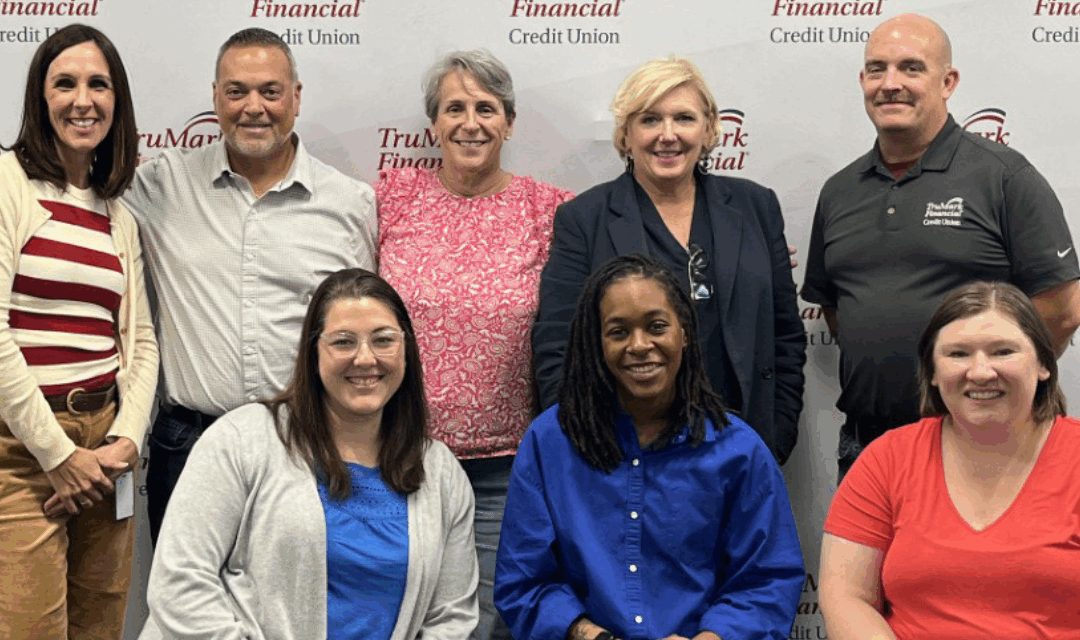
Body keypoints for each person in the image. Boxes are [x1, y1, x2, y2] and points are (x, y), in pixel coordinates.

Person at [121, 27, 377, 544]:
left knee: (301, 612)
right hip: (188, 443)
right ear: (215, 97)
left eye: (270, 91)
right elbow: (70, 181)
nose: (253, 107)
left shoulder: (350, 203)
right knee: (186, 612)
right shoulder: (159, 185)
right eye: (236, 92)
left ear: (296, 97)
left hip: (306, 441)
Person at [801, 13, 1080, 477]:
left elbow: (1061, 309)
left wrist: (987, 388)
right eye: (877, 69)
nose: (890, 84)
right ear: (862, 80)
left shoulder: (1003, 176)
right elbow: (838, 310)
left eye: (911, 68)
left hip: (983, 447)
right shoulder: (839, 191)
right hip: (869, 445)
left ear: (948, 81)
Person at [140, 268, 478, 640]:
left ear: (406, 349)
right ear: (312, 351)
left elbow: (452, 618)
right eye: (343, 342)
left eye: (383, 340)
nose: (365, 358)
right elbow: (180, 583)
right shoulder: (242, 440)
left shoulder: (439, 472)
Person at [496, 254, 803, 640]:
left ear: (685, 333)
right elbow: (524, 582)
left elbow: (767, 583)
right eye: (618, 331)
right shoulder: (549, 442)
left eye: (657, 326)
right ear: (597, 343)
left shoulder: (739, 450)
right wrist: (592, 636)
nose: (639, 345)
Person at [376, 49, 573, 640]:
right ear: (432, 123)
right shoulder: (390, 197)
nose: (470, 122)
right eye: (454, 108)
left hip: (506, 466)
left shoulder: (552, 211)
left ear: (509, 123)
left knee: (492, 621)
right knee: (396, 612)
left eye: (486, 108)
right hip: (397, 454)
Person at [533, 56, 805, 465]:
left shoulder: (756, 206)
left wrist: (776, 437)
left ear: (709, 128)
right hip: (624, 453)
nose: (668, 135)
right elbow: (557, 345)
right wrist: (587, 446)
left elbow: (785, 334)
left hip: (741, 447)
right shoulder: (584, 219)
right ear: (625, 135)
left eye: (684, 118)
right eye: (649, 120)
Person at [0, 24, 158, 639]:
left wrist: (124, 442)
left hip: (105, 453)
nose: (82, 100)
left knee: (100, 629)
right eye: (64, 83)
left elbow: (141, 343)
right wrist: (57, 454)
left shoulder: (117, 214)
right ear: (40, 98)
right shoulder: (9, 183)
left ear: (118, 102)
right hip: (22, 451)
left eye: (99, 84)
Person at [821, 281, 1080, 638]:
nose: (980, 372)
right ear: (932, 372)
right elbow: (847, 596)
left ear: (1043, 365)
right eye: (958, 354)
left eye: (1003, 351)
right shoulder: (887, 459)